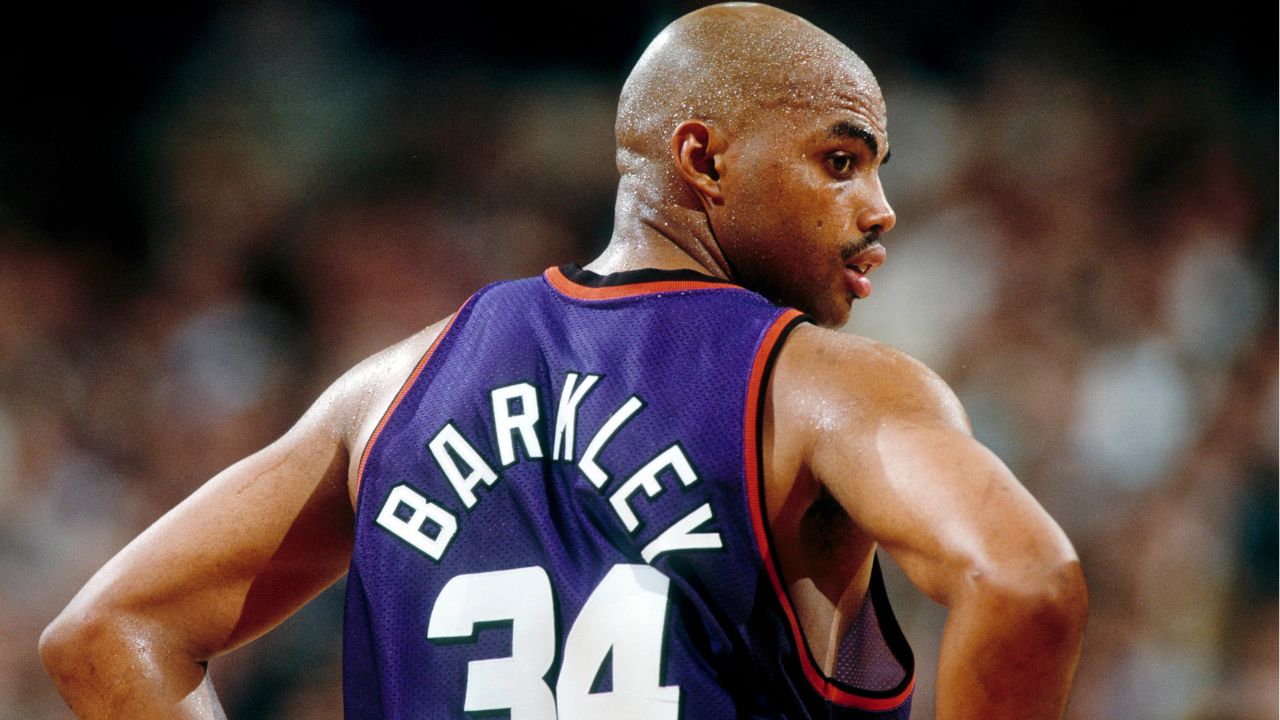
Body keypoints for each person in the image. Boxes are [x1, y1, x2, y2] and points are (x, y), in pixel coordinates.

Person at [40, 3, 1087, 718]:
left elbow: (107, 632)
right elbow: (1027, 581)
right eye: (839, 160)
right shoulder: (818, 387)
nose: (879, 208)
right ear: (702, 157)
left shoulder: (392, 388)